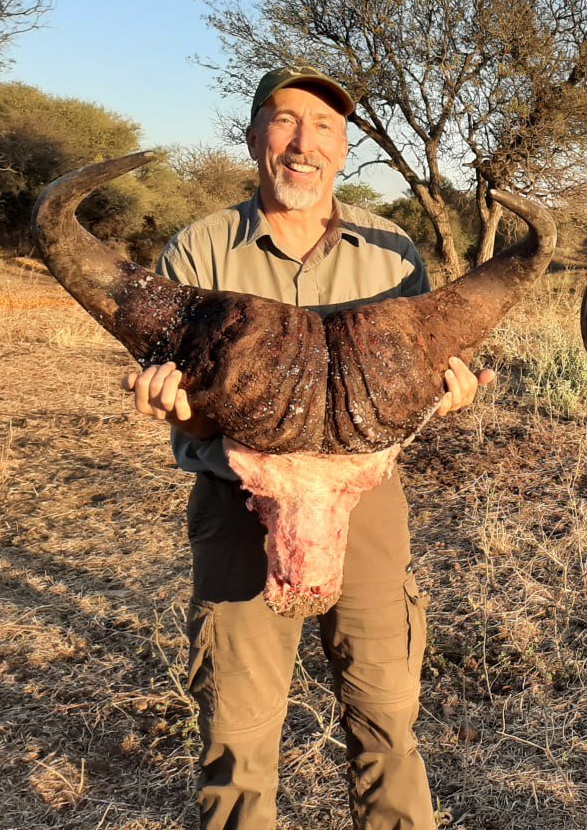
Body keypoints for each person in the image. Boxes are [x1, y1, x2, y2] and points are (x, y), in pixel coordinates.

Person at [121, 66, 490, 829]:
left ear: (345, 148)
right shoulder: (199, 249)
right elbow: (180, 395)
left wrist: (448, 392)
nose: (303, 142)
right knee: (238, 732)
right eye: (286, 121)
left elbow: (416, 377)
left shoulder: (391, 253)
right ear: (255, 136)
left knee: (386, 719)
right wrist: (177, 408)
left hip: (367, 502)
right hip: (237, 502)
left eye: (324, 127)